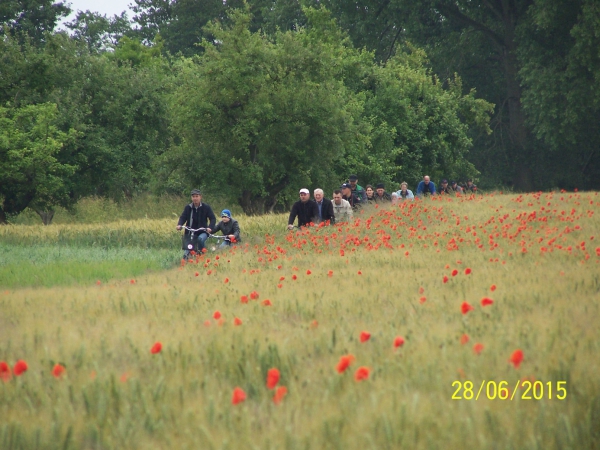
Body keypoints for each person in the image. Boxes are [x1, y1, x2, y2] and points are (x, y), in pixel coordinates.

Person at [177, 189, 216, 258]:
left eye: (197, 196)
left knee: (200, 239)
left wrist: (210, 227)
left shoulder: (206, 207)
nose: (195, 198)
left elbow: (212, 218)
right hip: (190, 232)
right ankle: (186, 260)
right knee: (187, 248)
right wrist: (179, 225)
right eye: (193, 196)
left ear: (200, 197)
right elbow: (183, 217)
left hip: (203, 231)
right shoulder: (188, 208)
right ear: (191, 198)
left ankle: (203, 254)